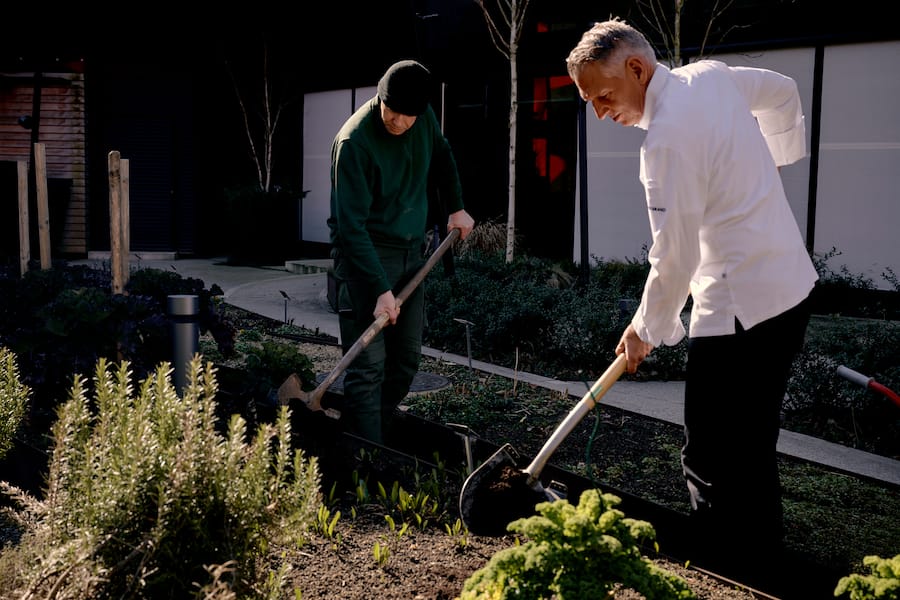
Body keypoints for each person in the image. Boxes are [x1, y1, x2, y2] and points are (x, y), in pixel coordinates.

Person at [565, 19, 818, 588]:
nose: (601, 113)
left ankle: (724, 576)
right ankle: (762, 572)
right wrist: (778, 160)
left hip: (742, 310)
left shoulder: (666, 143)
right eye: (590, 103)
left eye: (603, 96)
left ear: (636, 68)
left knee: (709, 457)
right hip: (791, 291)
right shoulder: (711, 77)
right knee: (752, 448)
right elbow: (783, 93)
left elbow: (673, 257)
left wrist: (645, 329)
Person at [327, 59, 475, 445]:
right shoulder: (354, 142)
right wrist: (378, 288)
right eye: (392, 112)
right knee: (368, 366)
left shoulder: (421, 118)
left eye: (408, 116)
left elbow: (442, 155)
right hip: (365, 258)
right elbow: (350, 228)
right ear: (380, 98)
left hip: (411, 254)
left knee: (405, 362)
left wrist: (456, 206)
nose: (399, 122)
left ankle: (368, 434)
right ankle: (364, 462)